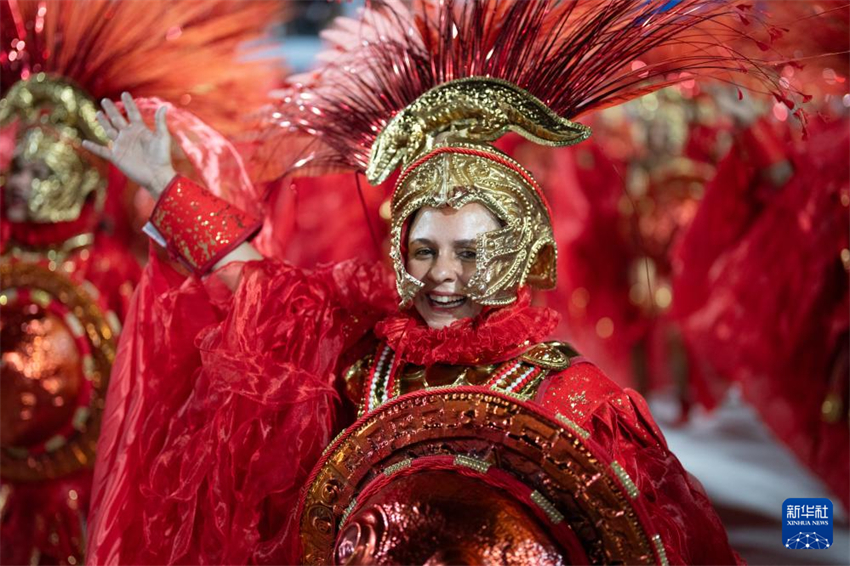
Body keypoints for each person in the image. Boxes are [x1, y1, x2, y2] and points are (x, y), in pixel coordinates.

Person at [83, 1, 806, 564]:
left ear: (519, 251)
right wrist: (166, 186)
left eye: (471, 251)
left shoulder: (581, 400)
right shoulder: (364, 359)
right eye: (423, 249)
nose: (445, 275)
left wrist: (808, 533)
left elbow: (667, 541)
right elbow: (259, 290)